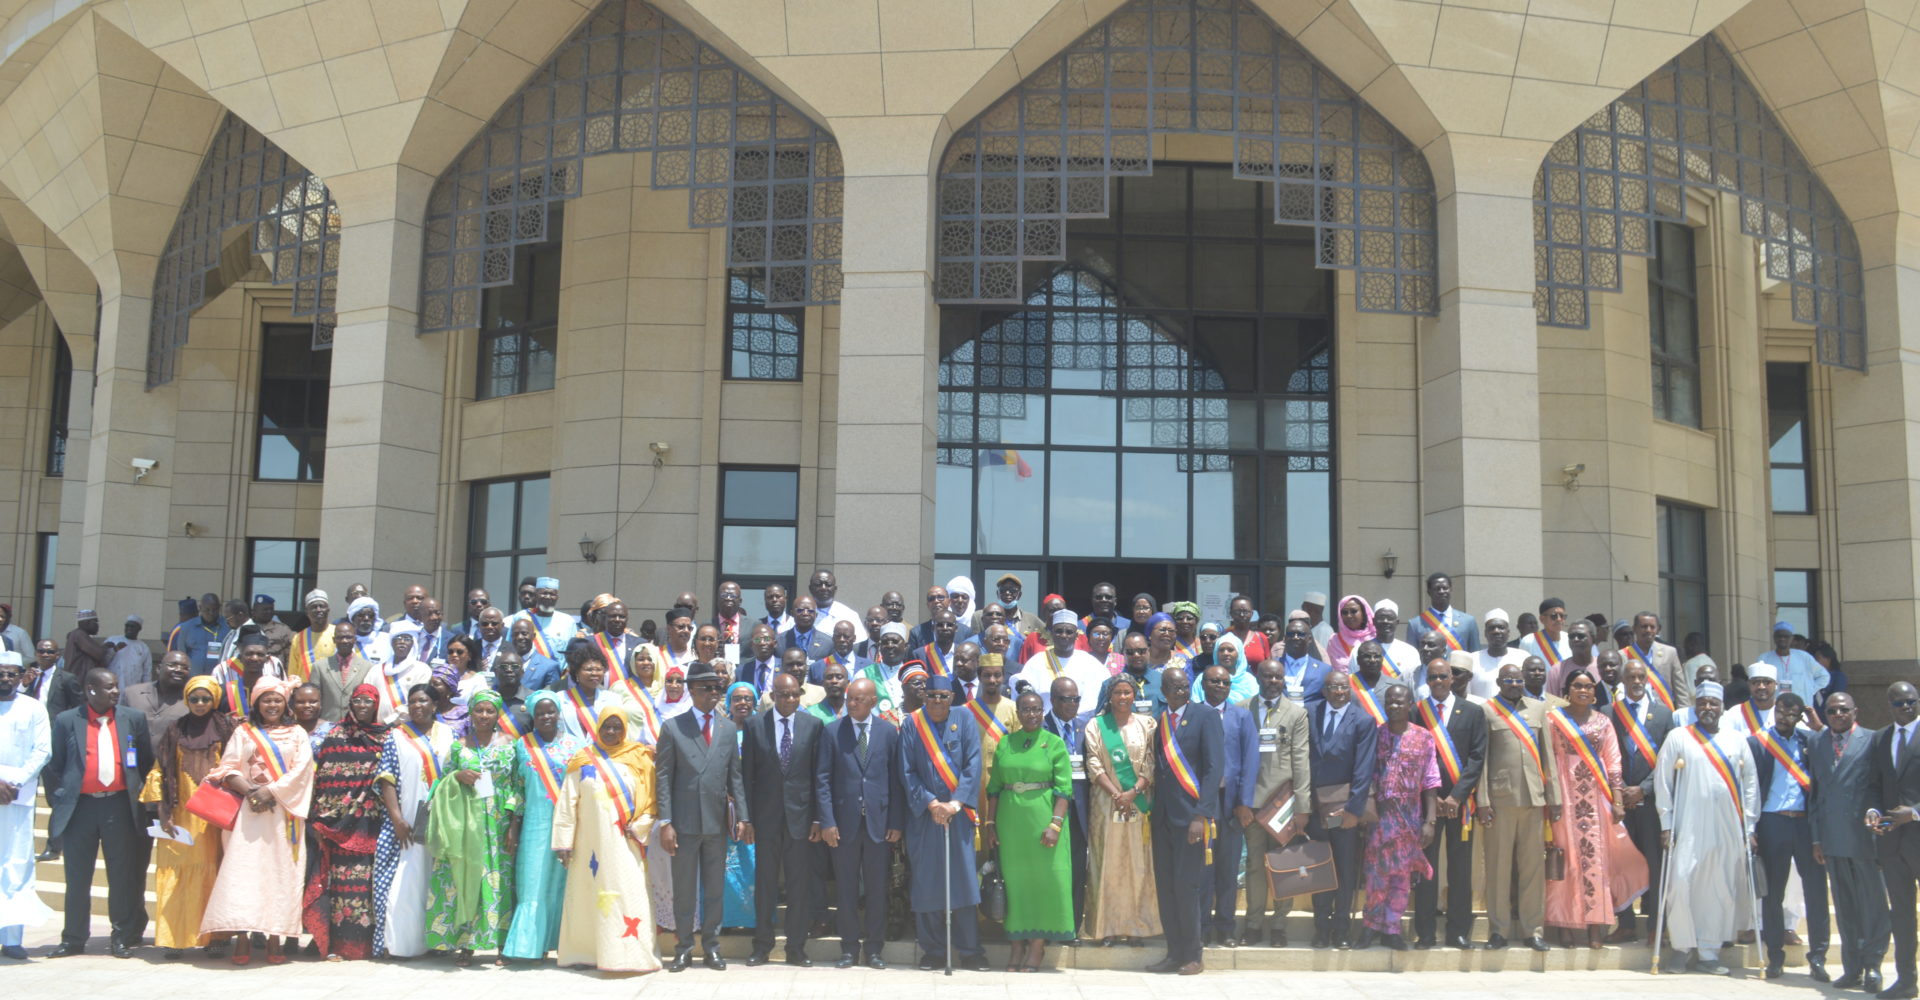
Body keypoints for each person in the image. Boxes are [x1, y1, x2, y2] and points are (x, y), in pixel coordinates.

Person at [199, 676, 316, 964]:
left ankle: (275, 939)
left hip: (283, 812)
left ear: (284, 703)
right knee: (244, 875)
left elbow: (303, 771)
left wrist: (270, 791)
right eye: (266, 699)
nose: (272, 704)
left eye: (277, 699)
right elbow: (226, 767)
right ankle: (242, 939)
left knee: (279, 876)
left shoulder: (297, 733)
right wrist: (251, 791)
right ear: (257, 703)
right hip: (249, 812)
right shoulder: (244, 732)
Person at [46, 667, 154, 958]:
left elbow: (144, 761)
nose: (116, 692)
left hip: (118, 806)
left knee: (120, 874)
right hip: (81, 808)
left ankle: (120, 936)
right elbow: (55, 765)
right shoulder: (68, 720)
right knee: (78, 876)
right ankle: (73, 938)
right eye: (109, 687)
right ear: (91, 689)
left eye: (117, 686)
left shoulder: (133, 719)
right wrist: (60, 798)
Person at [1654, 681, 1759, 976]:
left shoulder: (1737, 740)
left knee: (1718, 887)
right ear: (1695, 706)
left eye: (1713, 703)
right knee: (1681, 883)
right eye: (1703, 703)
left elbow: (1750, 785)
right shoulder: (1679, 737)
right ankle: (1681, 948)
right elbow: (1663, 784)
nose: (1708, 708)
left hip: (1727, 828)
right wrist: (1666, 824)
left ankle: (1709, 952)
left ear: (1722, 707)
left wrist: (1749, 826)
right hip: (1687, 825)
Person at [552, 706, 662, 973]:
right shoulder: (582, 760)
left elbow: (653, 801)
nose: (611, 732)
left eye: (617, 727)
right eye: (606, 727)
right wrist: (563, 841)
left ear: (625, 729)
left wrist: (640, 826)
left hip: (627, 842)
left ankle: (630, 955)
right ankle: (586, 953)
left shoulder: (639, 758)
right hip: (589, 844)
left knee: (629, 892)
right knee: (588, 896)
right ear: (597, 728)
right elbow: (568, 802)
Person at [656, 660, 749, 971]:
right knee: (684, 890)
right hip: (683, 824)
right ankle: (683, 947)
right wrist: (665, 822)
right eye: (706, 688)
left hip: (715, 822)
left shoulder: (726, 727)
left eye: (716, 688)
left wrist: (743, 817)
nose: (713, 693)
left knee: (714, 890)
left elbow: (735, 777)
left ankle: (711, 946)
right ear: (691, 691)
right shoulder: (673, 727)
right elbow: (664, 778)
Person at [135, 675, 232, 959]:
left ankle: (216, 937)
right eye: (194, 699)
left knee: (214, 875)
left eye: (205, 699)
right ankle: (174, 938)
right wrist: (161, 809)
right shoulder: (175, 730)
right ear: (187, 700)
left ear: (214, 699)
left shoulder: (226, 729)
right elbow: (160, 768)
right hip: (179, 816)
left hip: (214, 818)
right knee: (177, 878)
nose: (200, 704)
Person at [898, 673, 989, 970]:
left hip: (958, 815)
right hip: (925, 816)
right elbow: (906, 770)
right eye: (932, 695)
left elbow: (973, 763)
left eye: (943, 696)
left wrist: (955, 803)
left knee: (961, 881)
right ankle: (934, 951)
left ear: (952, 698)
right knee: (927, 883)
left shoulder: (963, 719)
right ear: (925, 696)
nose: (937, 701)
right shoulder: (912, 723)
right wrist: (931, 802)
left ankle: (970, 950)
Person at [424, 689, 519, 964]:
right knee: (466, 876)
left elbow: (516, 784)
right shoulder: (459, 746)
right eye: (479, 710)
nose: (484, 715)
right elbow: (440, 783)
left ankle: (502, 942)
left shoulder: (510, 744)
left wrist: (513, 822)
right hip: (466, 820)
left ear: (498, 713)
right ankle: (466, 942)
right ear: (471, 712)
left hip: (498, 820)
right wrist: (458, 775)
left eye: (490, 710)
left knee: (499, 879)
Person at [816, 677, 904, 969]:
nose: (850, 703)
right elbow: (823, 780)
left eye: (857, 699)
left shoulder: (888, 733)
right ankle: (849, 949)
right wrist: (827, 821)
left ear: (872, 702)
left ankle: (874, 949)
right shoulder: (832, 732)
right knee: (846, 889)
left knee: (878, 889)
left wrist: (895, 821)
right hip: (843, 825)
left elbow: (896, 780)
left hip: (879, 825)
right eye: (849, 698)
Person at [984, 691, 1074, 972]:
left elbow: (1064, 790)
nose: (1032, 714)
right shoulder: (1006, 743)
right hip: (1011, 826)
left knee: (1043, 884)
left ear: (1043, 711)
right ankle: (1016, 945)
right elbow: (994, 788)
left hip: (1045, 824)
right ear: (1018, 713)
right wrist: (990, 824)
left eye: (1036, 709)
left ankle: (1037, 946)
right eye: (1026, 709)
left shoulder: (1054, 743)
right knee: (1015, 885)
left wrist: (1055, 825)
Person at [742, 672, 825, 965]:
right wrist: (747, 819)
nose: (789, 699)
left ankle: (796, 948)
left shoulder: (813, 726)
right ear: (773, 696)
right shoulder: (754, 726)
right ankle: (761, 946)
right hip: (765, 820)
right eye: (784, 694)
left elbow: (819, 777)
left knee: (798, 886)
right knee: (765, 885)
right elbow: (747, 777)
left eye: (794, 694)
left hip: (801, 821)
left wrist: (817, 818)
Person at [1545, 669, 1631, 948]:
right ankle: (1564, 928)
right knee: (1566, 862)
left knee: (1597, 863)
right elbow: (1548, 761)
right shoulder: (1554, 721)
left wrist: (1618, 800)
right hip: (1564, 801)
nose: (1583, 690)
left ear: (1595, 692)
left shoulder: (1604, 723)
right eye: (1577, 686)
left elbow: (1614, 762)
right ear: (1567, 690)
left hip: (1596, 803)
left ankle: (1596, 925)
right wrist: (1551, 799)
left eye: (1588, 686)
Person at [1145, 665, 1222, 975]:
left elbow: (1214, 768)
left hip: (1190, 819)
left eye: (1185, 685)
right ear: (1164, 691)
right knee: (1167, 888)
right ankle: (1174, 953)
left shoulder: (1205, 716)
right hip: (1162, 819)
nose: (1182, 690)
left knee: (1187, 887)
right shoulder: (1161, 721)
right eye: (1175, 687)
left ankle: (1194, 955)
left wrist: (1201, 814)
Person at [301, 684, 387, 961]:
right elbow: (324, 778)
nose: (362, 706)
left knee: (367, 887)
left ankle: (367, 946)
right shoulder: (335, 735)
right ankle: (334, 944)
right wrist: (322, 818)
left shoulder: (386, 737)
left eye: (368, 701)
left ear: (376, 704)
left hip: (371, 826)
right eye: (357, 700)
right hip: (337, 828)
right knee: (338, 888)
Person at [1811, 691, 1889, 991]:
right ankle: (1852, 967)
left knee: (1872, 905)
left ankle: (1874, 965)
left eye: (1843, 710)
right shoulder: (1817, 742)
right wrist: (1816, 838)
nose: (1837, 715)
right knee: (1845, 908)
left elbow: (1880, 786)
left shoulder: (1872, 739)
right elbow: (1815, 795)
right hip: (1831, 838)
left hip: (1863, 838)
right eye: (1832, 711)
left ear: (1855, 712)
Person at [1748, 691, 1828, 979]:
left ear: (1800, 716)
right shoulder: (1758, 743)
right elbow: (1750, 788)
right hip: (1772, 823)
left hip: (1807, 825)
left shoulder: (1811, 741)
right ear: (1775, 711)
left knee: (1816, 890)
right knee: (1773, 893)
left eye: (1792, 714)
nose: (1785, 718)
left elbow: (1835, 752)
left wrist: (1818, 726)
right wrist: (1751, 829)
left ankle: (1818, 956)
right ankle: (1775, 957)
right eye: (1781, 712)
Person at [1408, 655, 1486, 950]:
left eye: (1443, 676)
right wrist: (1434, 799)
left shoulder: (1472, 712)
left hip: (1461, 805)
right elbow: (1413, 758)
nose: (1438, 682)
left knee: (1460, 869)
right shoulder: (1418, 712)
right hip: (1428, 804)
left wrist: (1456, 796)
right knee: (1427, 868)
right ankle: (1425, 933)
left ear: (1452, 678)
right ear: (1426, 681)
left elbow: (1477, 758)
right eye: (1432, 677)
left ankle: (1457, 932)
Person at [1478, 661, 1556, 951]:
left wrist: (1555, 797)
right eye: (1508, 679)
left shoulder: (1538, 709)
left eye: (1518, 679)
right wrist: (1483, 800)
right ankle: (1497, 931)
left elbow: (1548, 756)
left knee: (1532, 868)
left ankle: (1532, 930)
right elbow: (1482, 758)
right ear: (1499, 682)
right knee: (1498, 868)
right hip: (1499, 801)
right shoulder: (1487, 711)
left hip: (1534, 800)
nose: (1514, 684)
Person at [500, 692, 582, 962]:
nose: (546, 717)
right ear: (533, 717)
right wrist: (513, 825)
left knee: (562, 884)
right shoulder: (522, 746)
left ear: (559, 713)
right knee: (533, 883)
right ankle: (527, 946)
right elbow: (517, 788)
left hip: (568, 825)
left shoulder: (576, 745)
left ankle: (563, 945)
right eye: (540, 713)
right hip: (534, 825)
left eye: (551, 712)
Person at [1357, 683, 1437, 950]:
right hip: (1378, 820)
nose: (1393, 706)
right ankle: (1370, 927)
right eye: (1389, 702)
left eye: (1399, 702)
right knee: (1375, 875)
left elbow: (1430, 781)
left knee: (1401, 878)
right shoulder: (1375, 735)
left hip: (1408, 821)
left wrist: (1430, 821)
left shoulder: (1424, 737)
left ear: (1410, 704)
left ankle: (1392, 929)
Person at [1081, 672, 1159, 946]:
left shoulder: (1147, 725)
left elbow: (1150, 764)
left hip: (1138, 802)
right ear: (1109, 696)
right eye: (1118, 693)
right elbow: (1094, 765)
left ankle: (1137, 927)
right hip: (1106, 803)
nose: (1123, 697)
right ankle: (1107, 928)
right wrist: (1117, 794)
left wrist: (1132, 792)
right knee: (1108, 865)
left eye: (1127, 692)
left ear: (1134, 695)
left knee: (1137, 865)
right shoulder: (1095, 725)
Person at [374, 684, 451, 958]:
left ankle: (437, 942)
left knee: (436, 879)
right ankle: (399, 944)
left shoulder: (449, 735)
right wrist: (396, 818)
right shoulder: (396, 737)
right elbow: (386, 779)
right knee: (405, 881)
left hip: (442, 818)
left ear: (434, 704)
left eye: (424, 700)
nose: (418, 706)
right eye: (413, 701)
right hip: (407, 819)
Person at [1240, 658, 1312, 947]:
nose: (1272, 682)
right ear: (1258, 677)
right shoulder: (1242, 709)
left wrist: (1302, 807)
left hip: (1284, 804)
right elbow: (1236, 761)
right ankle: (1254, 924)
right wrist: (1240, 803)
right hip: (1253, 804)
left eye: (1278, 677)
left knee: (1284, 866)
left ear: (1284, 680)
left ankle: (1280, 924)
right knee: (1255, 867)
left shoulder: (1297, 714)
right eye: (1267, 676)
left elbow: (1301, 760)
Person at [1607, 658, 1676, 943]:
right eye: (1630, 677)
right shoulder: (1609, 712)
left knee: (1655, 863)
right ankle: (1626, 923)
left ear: (1647, 680)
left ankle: (1655, 926)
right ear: (1622, 681)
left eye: (1640, 677)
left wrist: (1644, 789)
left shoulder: (1663, 715)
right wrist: (1621, 789)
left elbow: (1667, 760)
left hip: (1650, 803)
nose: (1636, 682)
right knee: (1621, 864)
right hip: (1620, 803)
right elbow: (1606, 757)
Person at [1306, 669, 1374, 950]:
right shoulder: (1309, 713)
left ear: (1350, 690)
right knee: (1319, 869)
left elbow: (1364, 768)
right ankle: (1322, 928)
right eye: (1332, 687)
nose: (1338, 692)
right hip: (1313, 808)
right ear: (1324, 690)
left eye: (1343, 687)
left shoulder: (1363, 720)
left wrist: (1353, 809)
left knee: (1346, 871)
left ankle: (1342, 928)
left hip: (1344, 810)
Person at [1195, 664, 1256, 947]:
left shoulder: (1242, 717)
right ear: (1204, 683)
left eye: (1225, 682)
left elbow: (1249, 761)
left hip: (1231, 804)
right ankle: (1202, 926)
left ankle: (1226, 927)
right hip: (1203, 804)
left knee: (1228, 869)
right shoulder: (1193, 714)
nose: (1219, 686)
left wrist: (1244, 803)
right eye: (1214, 681)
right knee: (1203, 869)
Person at [0, 653, 52, 959]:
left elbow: (42, 750)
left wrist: (13, 782)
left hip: (18, 797)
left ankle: (12, 938)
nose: (6, 679)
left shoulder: (33, 708)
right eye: (1, 673)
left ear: (22, 676)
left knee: (16, 864)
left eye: (12, 674)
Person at [1017, 609, 1108, 712]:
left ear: (1076, 636)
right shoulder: (1036, 663)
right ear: (1051, 634)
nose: (1064, 635)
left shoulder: (1091, 664)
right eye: (1059, 631)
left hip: (1082, 725)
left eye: (1069, 632)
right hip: (1045, 725)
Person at [1624, 611, 1691, 713]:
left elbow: (1680, 690)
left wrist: (1685, 716)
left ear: (1658, 629)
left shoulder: (1670, 652)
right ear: (1634, 629)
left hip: (1664, 712)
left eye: (1652, 627)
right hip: (1634, 714)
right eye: (1644, 626)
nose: (1648, 630)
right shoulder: (1623, 655)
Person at [1756, 621, 1832, 709]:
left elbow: (1824, 676)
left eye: (1786, 636)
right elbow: (1757, 683)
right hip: (1774, 709)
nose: (1782, 639)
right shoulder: (1764, 659)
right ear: (1774, 638)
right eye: (1779, 636)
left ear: (1791, 638)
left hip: (1802, 708)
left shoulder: (1804, 657)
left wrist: (1810, 689)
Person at [1404, 573, 1479, 654]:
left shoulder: (1468, 621)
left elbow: (1475, 653)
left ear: (1451, 589)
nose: (1441, 591)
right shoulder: (1415, 624)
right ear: (1429, 592)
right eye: (1437, 588)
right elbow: (1412, 657)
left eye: (1445, 588)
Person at [123, 650, 193, 735]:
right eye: (172, 665)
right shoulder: (132, 693)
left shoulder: (192, 701)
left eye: (185, 668)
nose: (179, 670)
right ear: (159, 669)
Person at [168, 594, 227, 676]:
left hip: (217, 680)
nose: (211, 613)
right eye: (207, 610)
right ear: (200, 607)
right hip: (192, 680)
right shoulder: (187, 627)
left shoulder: (228, 628)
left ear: (220, 608)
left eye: (215, 610)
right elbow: (182, 655)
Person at [1520, 598, 1572, 672]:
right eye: (1554, 616)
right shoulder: (1529, 641)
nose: (1559, 619)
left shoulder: (1570, 638)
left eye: (1562, 616)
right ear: (1542, 619)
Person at [101, 614, 151, 690]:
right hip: (113, 687)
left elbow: (147, 672)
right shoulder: (113, 640)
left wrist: (146, 690)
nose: (129, 628)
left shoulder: (143, 647)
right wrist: (114, 650)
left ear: (139, 629)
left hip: (133, 688)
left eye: (132, 626)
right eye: (127, 626)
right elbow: (103, 662)